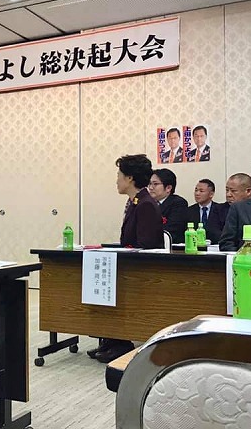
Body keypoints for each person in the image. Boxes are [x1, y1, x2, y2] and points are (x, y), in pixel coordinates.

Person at [88, 154, 163, 364]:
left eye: (119, 175)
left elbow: (146, 245)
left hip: (141, 272)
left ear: (129, 178)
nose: (117, 180)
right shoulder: (135, 201)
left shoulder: (145, 204)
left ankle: (120, 343)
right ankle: (111, 340)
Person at [148, 168, 188, 243]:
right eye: (150, 184)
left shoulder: (178, 203)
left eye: (155, 184)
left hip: (171, 246)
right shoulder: (148, 203)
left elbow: (171, 230)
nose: (150, 187)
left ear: (168, 188)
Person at [186, 179, 228, 244]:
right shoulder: (189, 211)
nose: (197, 193)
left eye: (201, 191)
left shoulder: (221, 209)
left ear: (211, 194)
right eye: (196, 190)